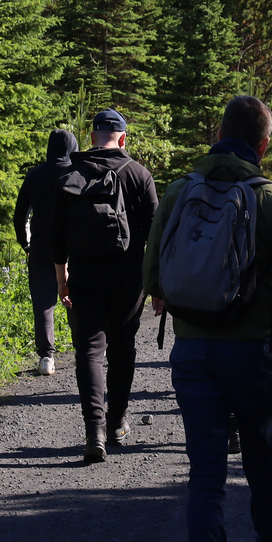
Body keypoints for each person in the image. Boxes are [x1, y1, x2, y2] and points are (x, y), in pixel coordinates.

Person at [144, 95, 272, 542]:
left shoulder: (178, 191)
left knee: (206, 473)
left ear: (218, 135)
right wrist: (254, 304)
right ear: (264, 145)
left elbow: (153, 277)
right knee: (261, 460)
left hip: (192, 351)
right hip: (251, 352)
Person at [52, 110, 157, 462]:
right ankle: (116, 425)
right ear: (123, 138)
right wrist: (157, 285)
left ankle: (93, 431)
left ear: (92, 137)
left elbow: (56, 236)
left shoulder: (70, 176)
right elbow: (156, 235)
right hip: (128, 279)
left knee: (89, 351)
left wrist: (62, 279)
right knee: (122, 348)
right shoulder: (139, 174)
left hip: (84, 276)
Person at [12, 127, 76, 376]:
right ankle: (84, 347)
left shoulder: (34, 175)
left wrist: (26, 244)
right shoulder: (76, 172)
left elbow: (20, 215)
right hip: (72, 247)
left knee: (43, 302)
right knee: (75, 295)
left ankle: (46, 357)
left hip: (41, 245)